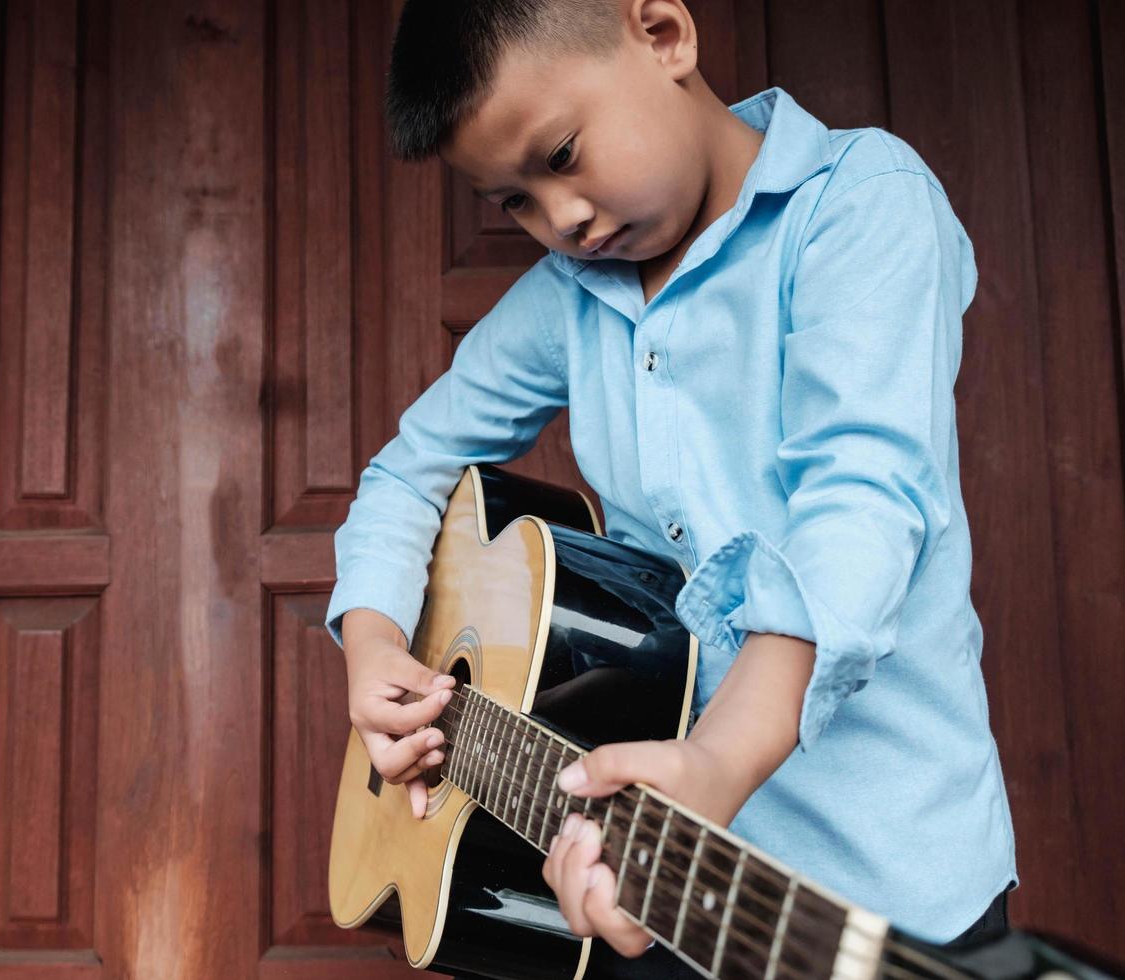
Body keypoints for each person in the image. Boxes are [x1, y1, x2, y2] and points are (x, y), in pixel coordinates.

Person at [326, 0, 1017, 971]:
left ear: (663, 36)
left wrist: (718, 760)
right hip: (667, 890)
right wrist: (374, 644)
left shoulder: (859, 202)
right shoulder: (568, 298)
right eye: (515, 201)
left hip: (888, 879)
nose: (558, 218)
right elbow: (407, 468)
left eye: (562, 154)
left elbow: (860, 502)